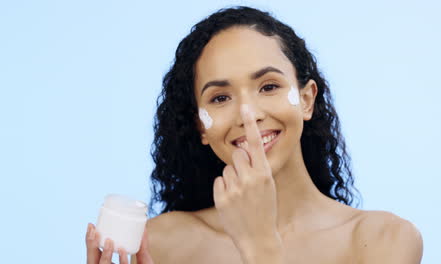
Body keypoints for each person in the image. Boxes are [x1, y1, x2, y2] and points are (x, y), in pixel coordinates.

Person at [86, 6, 423, 264]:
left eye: (269, 86)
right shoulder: (160, 242)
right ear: (200, 126)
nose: (248, 114)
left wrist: (261, 245)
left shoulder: (382, 241)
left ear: (307, 100)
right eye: (220, 98)